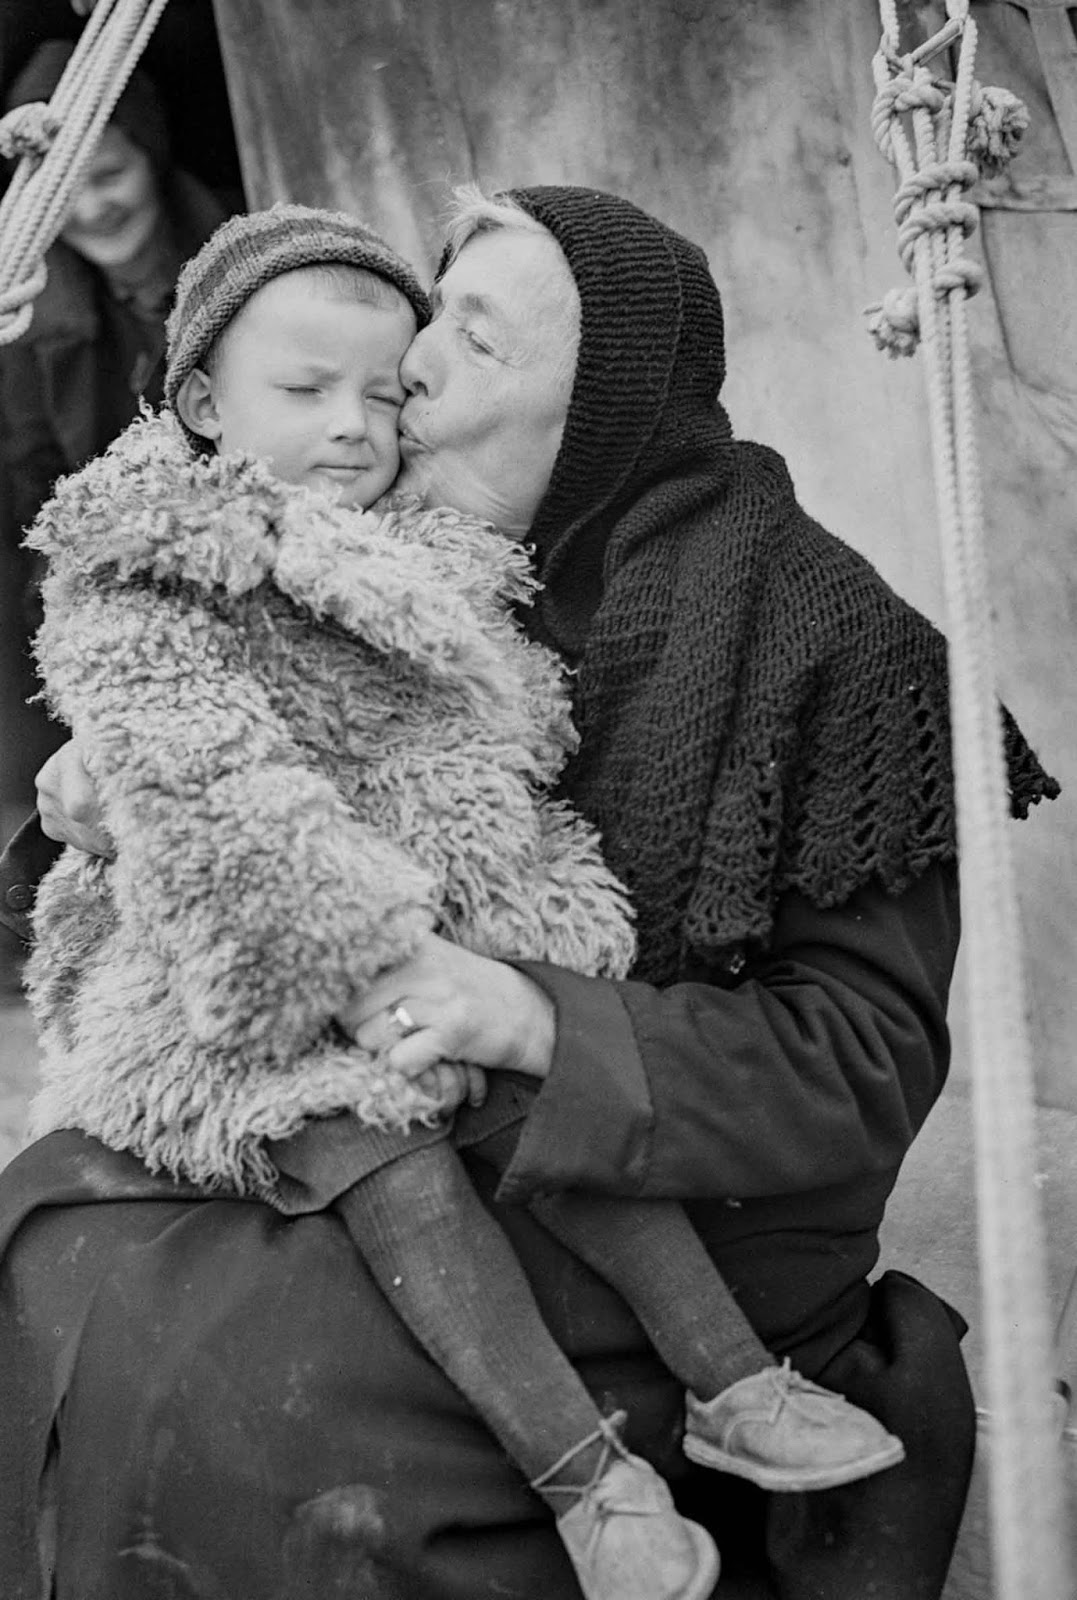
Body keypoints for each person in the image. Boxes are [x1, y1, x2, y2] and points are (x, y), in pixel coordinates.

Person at [0, 184, 1059, 1600]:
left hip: (682, 1203)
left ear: (602, 411)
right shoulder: (417, 565)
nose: (413, 372)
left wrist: (529, 1016)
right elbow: (239, 771)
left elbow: (858, 1066)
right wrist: (98, 795)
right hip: (409, 1104)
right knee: (53, 1234)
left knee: (223, 1395)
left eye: (474, 345)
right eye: (432, 324)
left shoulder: (837, 650)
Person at [0, 39, 227, 899]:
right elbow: (36, 490)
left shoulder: (238, 257)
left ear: (153, 157)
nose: (93, 207)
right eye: (69, 187)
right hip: (116, 583)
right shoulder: (27, 317)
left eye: (112, 172)